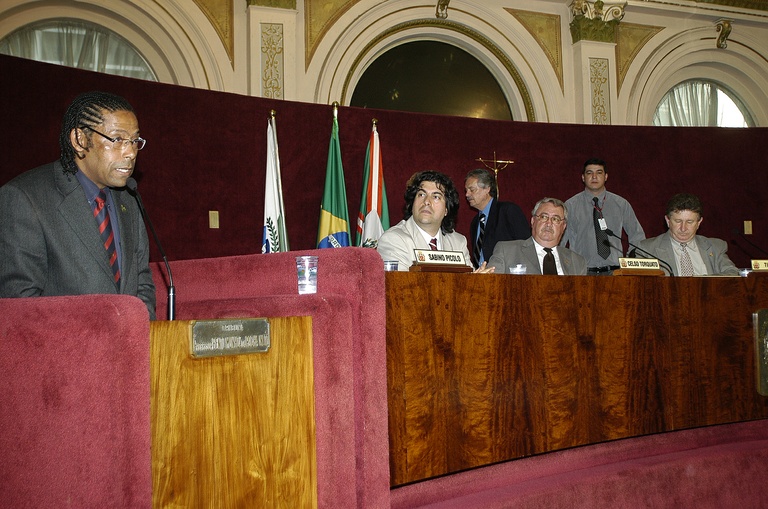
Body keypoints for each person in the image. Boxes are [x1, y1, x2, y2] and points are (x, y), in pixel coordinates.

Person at [0, 91, 156, 318]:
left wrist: (141, 336)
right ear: (80, 140)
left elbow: (142, 282)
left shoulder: (129, 198)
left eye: (134, 141)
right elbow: (20, 305)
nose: (131, 152)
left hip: (129, 348)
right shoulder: (24, 198)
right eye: (118, 139)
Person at [377, 170, 492, 273]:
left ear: (446, 209)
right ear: (412, 203)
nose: (427, 201)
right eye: (421, 194)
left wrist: (476, 283)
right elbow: (403, 290)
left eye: (436, 196)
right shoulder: (393, 239)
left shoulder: (458, 243)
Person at [562, 157, 645, 275]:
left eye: (599, 172)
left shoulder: (621, 204)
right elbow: (560, 241)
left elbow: (637, 236)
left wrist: (630, 264)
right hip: (582, 273)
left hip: (615, 272)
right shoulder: (570, 206)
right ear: (583, 177)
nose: (594, 177)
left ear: (606, 177)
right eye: (589, 173)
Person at [634, 193, 739, 276]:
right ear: (668, 220)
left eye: (689, 222)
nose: (683, 228)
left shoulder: (715, 247)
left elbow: (733, 273)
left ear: (699, 223)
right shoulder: (646, 249)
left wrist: (703, 282)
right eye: (678, 221)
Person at [488, 197, 587, 275]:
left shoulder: (577, 262)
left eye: (555, 219)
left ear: (563, 226)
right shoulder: (506, 251)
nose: (549, 223)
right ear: (533, 221)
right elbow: (490, 287)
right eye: (544, 217)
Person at [464, 168, 530, 268]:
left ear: (487, 189)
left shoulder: (508, 211)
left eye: (472, 190)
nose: (467, 194)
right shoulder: (475, 222)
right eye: (466, 190)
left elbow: (527, 246)